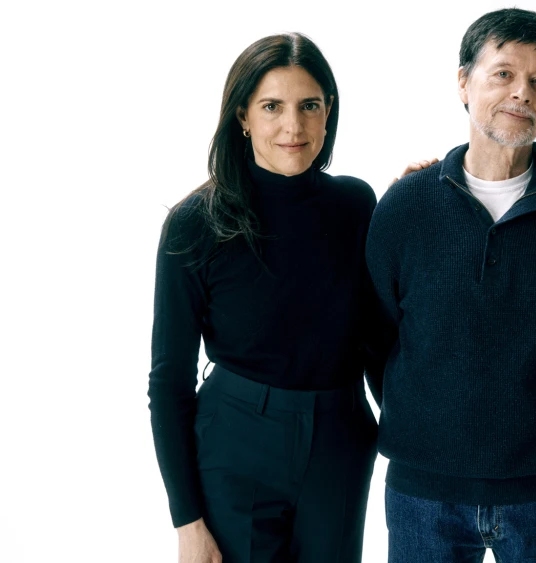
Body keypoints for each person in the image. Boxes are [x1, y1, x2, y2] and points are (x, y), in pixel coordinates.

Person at [365, 8, 536, 563]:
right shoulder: (405, 207)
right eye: (503, 73)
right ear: (463, 82)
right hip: (423, 494)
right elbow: (377, 338)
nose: (521, 93)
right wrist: (433, 420)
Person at [148, 33, 379, 563]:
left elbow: (381, 329)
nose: (293, 126)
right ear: (243, 116)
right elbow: (168, 383)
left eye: (309, 106)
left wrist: (419, 199)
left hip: (339, 441)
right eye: (272, 106)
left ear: (329, 113)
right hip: (236, 442)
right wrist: (187, 521)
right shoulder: (195, 225)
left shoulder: (358, 205)